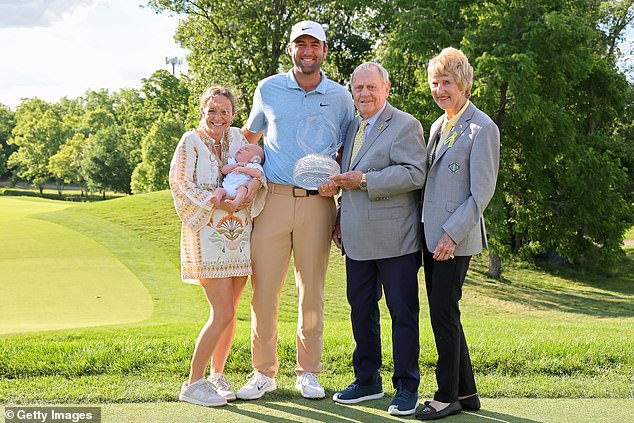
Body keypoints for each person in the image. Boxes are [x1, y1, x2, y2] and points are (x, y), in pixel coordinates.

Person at [237, 20, 355, 400]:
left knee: (312, 294)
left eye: (314, 45)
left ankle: (308, 372)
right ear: (291, 49)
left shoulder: (340, 97)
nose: (307, 51)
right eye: (300, 44)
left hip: (319, 204)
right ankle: (263, 372)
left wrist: (341, 202)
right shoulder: (268, 88)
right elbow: (250, 138)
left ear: (324, 50)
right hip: (271, 200)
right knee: (264, 292)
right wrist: (248, 166)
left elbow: (348, 151)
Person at [328, 62, 427, 416]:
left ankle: (406, 387)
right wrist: (339, 218)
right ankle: (367, 380)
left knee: (402, 314)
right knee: (361, 311)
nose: (364, 94)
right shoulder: (353, 125)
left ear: (386, 89)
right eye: (358, 89)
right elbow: (346, 181)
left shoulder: (405, 124)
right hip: (356, 240)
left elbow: (414, 173)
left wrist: (367, 180)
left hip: (395, 239)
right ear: (352, 92)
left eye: (371, 87)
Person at [415, 47, 500, 420]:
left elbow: (480, 193)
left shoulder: (483, 128)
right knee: (446, 313)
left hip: (454, 239)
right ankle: (466, 394)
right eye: (435, 82)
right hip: (429, 236)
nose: (439, 89)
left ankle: (445, 395)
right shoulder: (438, 125)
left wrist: (450, 235)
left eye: (446, 82)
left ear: (463, 83)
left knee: (443, 315)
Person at [169, 85, 266, 407]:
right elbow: (180, 184)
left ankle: (217, 375)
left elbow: (258, 171)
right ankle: (193, 382)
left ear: (233, 114)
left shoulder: (239, 138)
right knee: (221, 311)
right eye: (212, 110)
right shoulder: (190, 141)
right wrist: (218, 204)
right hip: (206, 231)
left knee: (231, 312)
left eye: (224, 111)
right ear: (202, 111)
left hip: (238, 233)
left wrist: (251, 185)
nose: (218, 117)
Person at [210, 144, 265, 209]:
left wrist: (243, 169)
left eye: (246, 149)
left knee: (243, 190)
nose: (241, 149)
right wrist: (236, 165)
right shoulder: (233, 162)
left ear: (255, 159)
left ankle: (235, 203)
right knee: (219, 190)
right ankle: (216, 199)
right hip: (227, 188)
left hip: (239, 189)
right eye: (242, 147)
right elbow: (223, 170)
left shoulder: (252, 165)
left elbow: (258, 174)